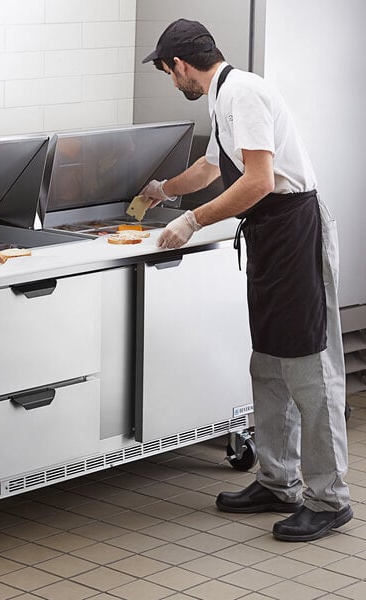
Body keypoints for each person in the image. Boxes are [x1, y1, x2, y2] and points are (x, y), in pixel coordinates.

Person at [139, 18, 351, 542]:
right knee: (270, 362)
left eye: (169, 72)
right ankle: (278, 482)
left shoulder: (245, 95)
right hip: (269, 235)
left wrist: (191, 221)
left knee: (309, 368)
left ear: (181, 65)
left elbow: (257, 181)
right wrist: (164, 191)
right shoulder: (222, 95)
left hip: (295, 232)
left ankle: (329, 500)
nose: (172, 82)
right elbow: (214, 168)